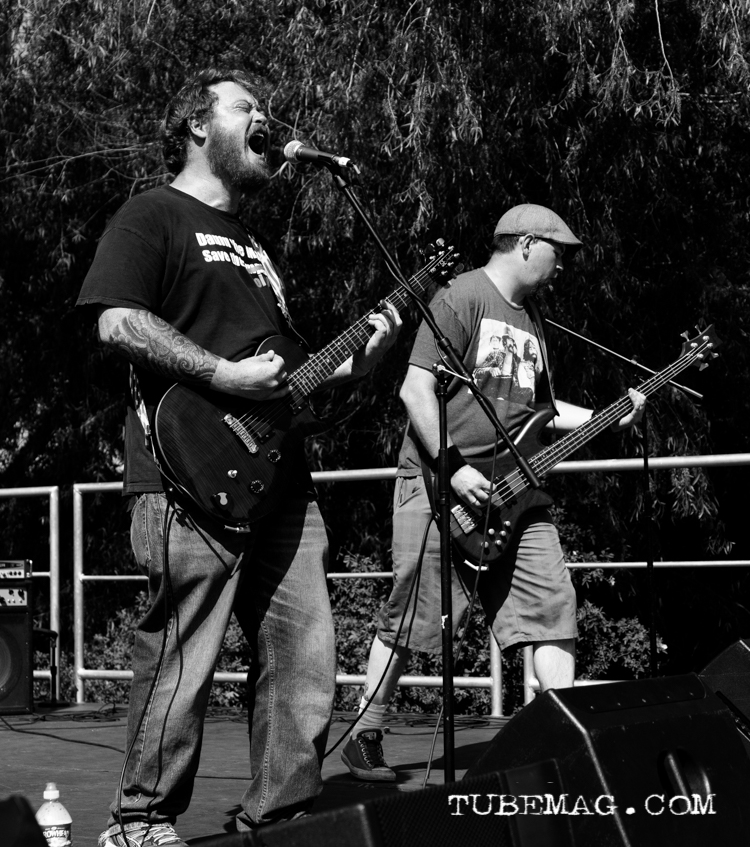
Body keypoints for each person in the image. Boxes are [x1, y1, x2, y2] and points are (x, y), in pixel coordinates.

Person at [76, 68, 401, 847]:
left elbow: (286, 380)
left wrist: (354, 365)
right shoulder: (152, 213)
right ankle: (139, 821)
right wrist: (222, 375)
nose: (265, 118)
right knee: (183, 655)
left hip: (279, 479)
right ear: (198, 124)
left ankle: (281, 818)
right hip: (185, 472)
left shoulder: (256, 248)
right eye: (246, 106)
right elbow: (117, 322)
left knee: (306, 653)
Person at [340, 203, 646, 782]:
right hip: (438, 482)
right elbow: (414, 391)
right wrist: (453, 468)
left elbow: (541, 414)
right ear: (526, 244)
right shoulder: (461, 297)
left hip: (516, 493)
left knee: (553, 605)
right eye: (558, 252)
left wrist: (607, 417)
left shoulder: (534, 323)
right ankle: (365, 733)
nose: (563, 266)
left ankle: (562, 738)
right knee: (414, 616)